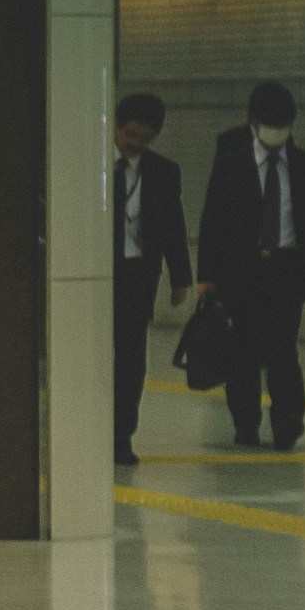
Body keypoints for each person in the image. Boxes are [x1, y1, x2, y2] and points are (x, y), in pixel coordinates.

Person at [195, 80, 305, 450]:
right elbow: (212, 218)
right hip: (240, 268)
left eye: (284, 124)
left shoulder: (303, 164)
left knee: (284, 348)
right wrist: (205, 274)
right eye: (270, 123)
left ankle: (288, 419)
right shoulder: (232, 160)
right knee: (242, 351)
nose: (276, 132)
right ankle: (246, 424)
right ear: (253, 121)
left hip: (286, 267)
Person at [110, 93, 191, 467]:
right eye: (130, 134)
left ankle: (121, 435)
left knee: (131, 359)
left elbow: (173, 225)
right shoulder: (93, 165)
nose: (136, 144)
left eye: (145, 138)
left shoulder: (163, 171)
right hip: (92, 276)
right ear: (117, 127)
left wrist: (180, 277)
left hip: (138, 275)